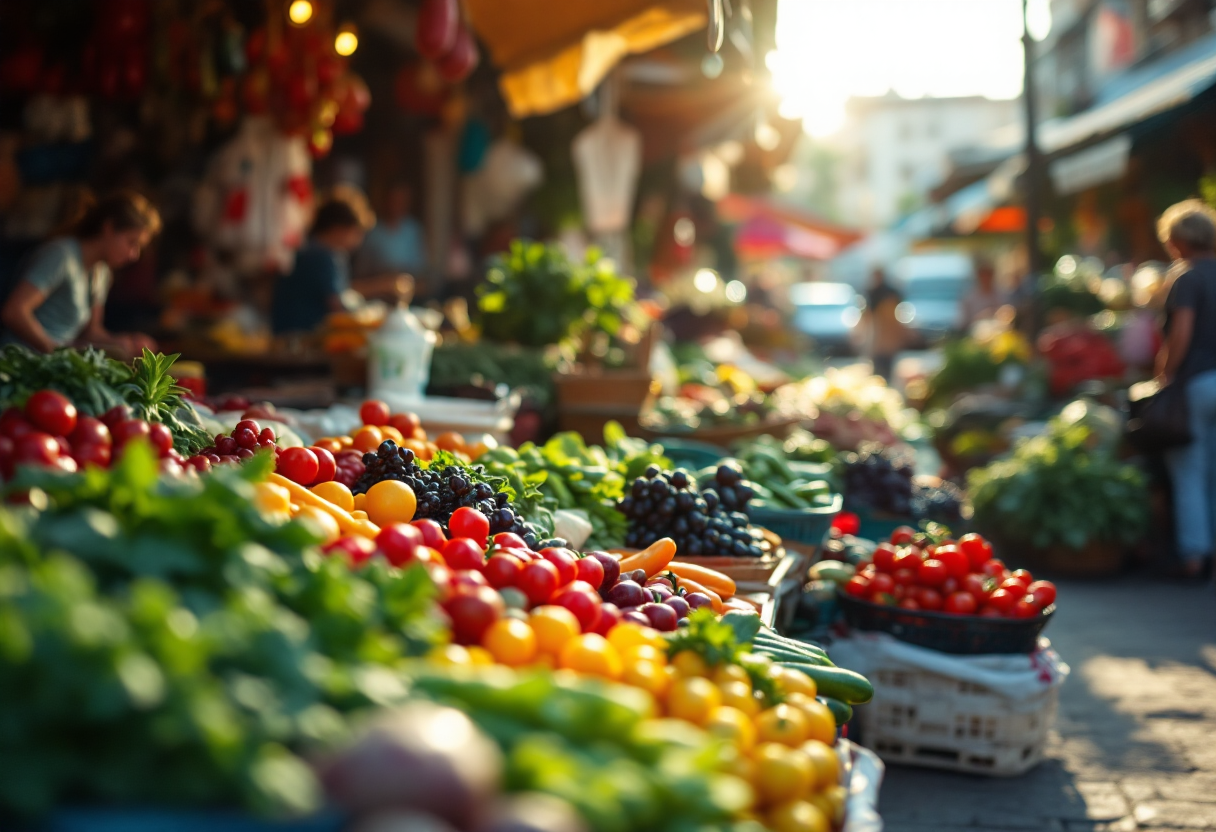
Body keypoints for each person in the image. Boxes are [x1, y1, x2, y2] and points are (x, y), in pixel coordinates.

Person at [1, 190, 161, 357]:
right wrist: (54, 351)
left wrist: (124, 342)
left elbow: (91, 333)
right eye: (131, 243)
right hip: (18, 361)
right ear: (109, 227)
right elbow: (14, 312)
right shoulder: (61, 255)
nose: (134, 254)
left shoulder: (102, 273)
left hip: (51, 364)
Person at [1155, 199, 1216, 579]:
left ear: (1178, 241)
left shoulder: (1187, 278)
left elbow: (1181, 332)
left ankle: (1195, 556)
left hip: (1196, 382)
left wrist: (1165, 372)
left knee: (1189, 469)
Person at [271, 187, 374, 335]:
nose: (359, 240)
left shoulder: (304, 249)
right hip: (302, 339)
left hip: (286, 334)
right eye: (356, 232)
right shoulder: (322, 257)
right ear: (338, 229)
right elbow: (337, 303)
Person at [357, 182, 425, 278]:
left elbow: (419, 267)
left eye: (402, 201)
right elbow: (362, 271)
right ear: (386, 201)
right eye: (394, 201)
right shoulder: (373, 232)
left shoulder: (412, 230)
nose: (398, 205)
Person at [862, 267, 905, 381]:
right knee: (880, 366)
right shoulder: (876, 293)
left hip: (884, 337)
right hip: (881, 337)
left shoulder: (883, 293)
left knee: (884, 366)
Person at [960, 259, 1006, 330]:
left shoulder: (1002, 295)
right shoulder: (970, 297)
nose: (986, 278)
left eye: (988, 274)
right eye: (983, 275)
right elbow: (964, 322)